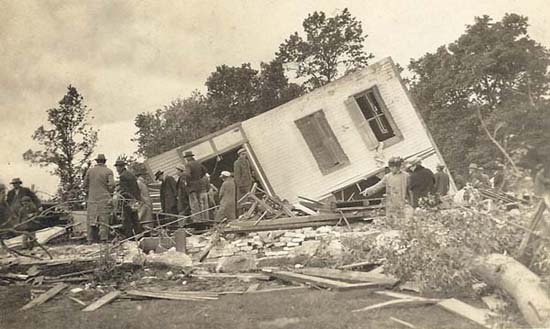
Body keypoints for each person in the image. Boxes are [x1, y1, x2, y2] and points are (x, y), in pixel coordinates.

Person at [360, 157, 409, 221]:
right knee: (392, 221)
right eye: (390, 167)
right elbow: (378, 185)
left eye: (393, 167)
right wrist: (368, 190)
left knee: (404, 220)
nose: (391, 169)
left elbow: (412, 188)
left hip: (404, 202)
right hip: (392, 202)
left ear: (397, 167)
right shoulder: (388, 177)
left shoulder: (406, 176)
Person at [83, 154, 115, 243]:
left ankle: (90, 239)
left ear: (97, 161)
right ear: (105, 161)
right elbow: (112, 185)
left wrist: (89, 193)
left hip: (92, 198)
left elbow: (85, 185)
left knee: (91, 218)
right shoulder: (108, 171)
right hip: (104, 198)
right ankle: (104, 239)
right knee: (104, 218)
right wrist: (109, 193)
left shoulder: (90, 171)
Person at [115, 159, 143, 238]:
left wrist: (123, 199)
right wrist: (137, 199)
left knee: (127, 219)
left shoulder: (123, 176)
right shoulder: (131, 175)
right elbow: (136, 188)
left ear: (121, 167)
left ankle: (129, 236)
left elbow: (124, 191)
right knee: (135, 218)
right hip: (134, 200)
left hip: (128, 201)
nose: (117, 170)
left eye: (117, 167)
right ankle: (139, 235)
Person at [182, 151, 208, 221]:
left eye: (187, 157)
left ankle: (197, 219)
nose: (186, 159)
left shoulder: (188, 165)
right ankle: (203, 219)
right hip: (199, 185)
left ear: (189, 157)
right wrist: (199, 178)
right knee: (200, 203)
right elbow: (205, 170)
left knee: (194, 204)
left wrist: (187, 181)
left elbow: (188, 174)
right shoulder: (198, 163)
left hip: (192, 187)